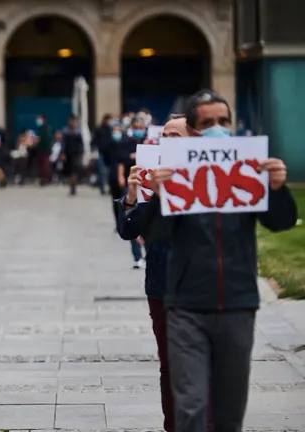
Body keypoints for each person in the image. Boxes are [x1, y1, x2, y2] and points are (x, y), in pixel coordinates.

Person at [144, 90, 298, 432]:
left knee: (229, 413)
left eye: (224, 121)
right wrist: (159, 197)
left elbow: (280, 222)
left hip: (237, 305)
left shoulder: (249, 169)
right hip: (186, 307)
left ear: (232, 126)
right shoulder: (176, 175)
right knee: (191, 406)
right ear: (196, 132)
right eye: (209, 122)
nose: (218, 128)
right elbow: (155, 234)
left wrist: (277, 188)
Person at [115, 115, 194, 432]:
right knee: (170, 365)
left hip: (202, 283)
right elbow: (128, 230)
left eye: (176, 135)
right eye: (164, 135)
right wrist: (134, 197)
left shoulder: (210, 179)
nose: (168, 140)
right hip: (161, 285)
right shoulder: (150, 179)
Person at [115, 117, 146, 268]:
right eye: (137, 127)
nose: (139, 129)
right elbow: (121, 161)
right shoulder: (126, 142)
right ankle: (137, 255)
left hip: (149, 185)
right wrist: (121, 176)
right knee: (131, 216)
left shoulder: (149, 142)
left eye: (141, 127)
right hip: (133, 182)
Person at [60, 115, 84, 195]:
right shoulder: (65, 131)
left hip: (76, 154)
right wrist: (62, 153)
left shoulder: (78, 131)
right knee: (69, 171)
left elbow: (81, 144)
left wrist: (82, 153)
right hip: (68, 154)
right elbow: (63, 143)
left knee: (74, 171)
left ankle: (74, 186)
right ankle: (71, 186)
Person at [92, 114, 115, 195]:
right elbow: (94, 140)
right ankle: (102, 188)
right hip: (101, 152)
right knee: (102, 171)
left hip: (110, 152)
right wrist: (95, 149)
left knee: (109, 172)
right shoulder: (99, 129)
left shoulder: (111, 129)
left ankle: (110, 188)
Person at [35, 114, 53, 186]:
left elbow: (45, 138)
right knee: (42, 164)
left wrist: (38, 140)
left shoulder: (45, 128)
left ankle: (46, 179)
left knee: (45, 165)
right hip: (42, 149)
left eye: (39, 119)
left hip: (45, 149)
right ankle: (44, 178)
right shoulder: (42, 128)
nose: (37, 121)